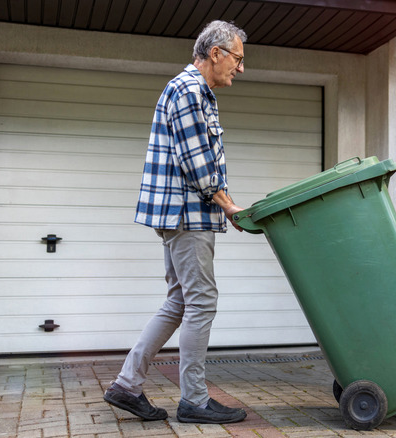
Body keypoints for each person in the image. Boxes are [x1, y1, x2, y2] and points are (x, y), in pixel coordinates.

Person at [103, 20, 248, 424]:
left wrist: (228, 205)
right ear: (215, 53)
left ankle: (126, 385)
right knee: (202, 302)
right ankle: (195, 401)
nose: (241, 68)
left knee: (180, 301)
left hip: (186, 213)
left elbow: (205, 166)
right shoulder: (187, 91)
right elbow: (199, 169)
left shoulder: (199, 93)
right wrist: (229, 207)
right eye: (237, 58)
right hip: (188, 215)